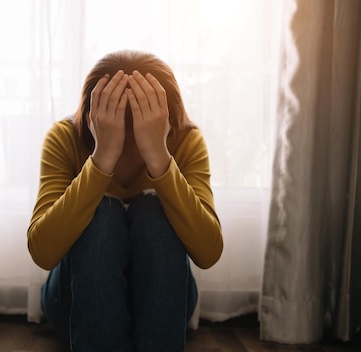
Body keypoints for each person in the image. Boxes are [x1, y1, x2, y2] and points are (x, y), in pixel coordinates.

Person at [27, 50, 223, 351]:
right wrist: (102, 158)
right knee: (101, 213)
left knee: (154, 210)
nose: (130, 150)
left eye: (142, 133)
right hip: (74, 302)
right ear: (94, 119)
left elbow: (209, 252)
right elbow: (42, 252)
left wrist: (158, 155)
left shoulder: (185, 140)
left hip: (165, 306)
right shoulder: (64, 137)